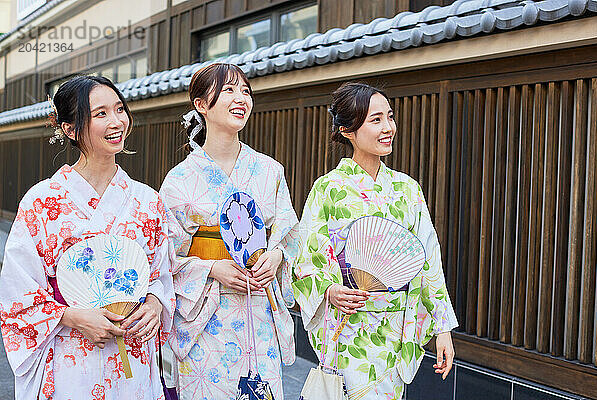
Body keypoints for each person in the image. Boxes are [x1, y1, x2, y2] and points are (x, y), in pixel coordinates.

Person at [0, 76, 175, 400]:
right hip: (69, 355)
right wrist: (72, 316)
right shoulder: (42, 201)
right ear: (69, 129)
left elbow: (160, 274)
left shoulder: (147, 200)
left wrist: (153, 303)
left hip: (132, 356)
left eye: (120, 109)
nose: (117, 121)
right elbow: (16, 290)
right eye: (101, 114)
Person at [293, 82, 458, 399]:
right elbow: (306, 260)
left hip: (395, 327)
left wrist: (442, 328)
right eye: (376, 120)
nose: (388, 128)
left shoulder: (407, 189)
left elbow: (428, 260)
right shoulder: (328, 189)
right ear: (347, 130)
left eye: (390, 117)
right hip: (348, 328)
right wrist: (329, 289)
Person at [159, 63, 298, 400]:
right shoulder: (179, 180)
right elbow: (163, 256)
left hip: (257, 308)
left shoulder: (269, 170)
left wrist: (278, 256)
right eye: (229, 91)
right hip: (206, 315)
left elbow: (289, 233)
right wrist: (210, 267)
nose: (241, 99)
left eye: (246, 91)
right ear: (201, 105)